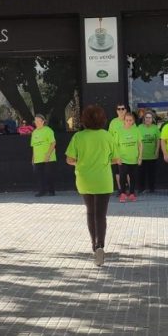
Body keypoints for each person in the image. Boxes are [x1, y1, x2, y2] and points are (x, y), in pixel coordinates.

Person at [66, 104, 116, 266]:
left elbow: (70, 159)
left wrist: (82, 162)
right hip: (103, 179)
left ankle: (94, 245)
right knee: (101, 214)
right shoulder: (107, 136)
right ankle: (100, 245)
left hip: (84, 178)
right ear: (103, 120)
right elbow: (116, 159)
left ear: (84, 120)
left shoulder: (78, 137)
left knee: (90, 212)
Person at [115, 111, 141, 201]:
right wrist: (117, 157)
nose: (128, 122)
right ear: (124, 121)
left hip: (134, 158)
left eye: (130, 120)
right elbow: (115, 145)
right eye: (127, 120)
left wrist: (140, 157)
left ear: (133, 121)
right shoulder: (119, 131)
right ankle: (122, 194)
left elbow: (140, 144)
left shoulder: (136, 130)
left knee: (133, 177)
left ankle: (132, 194)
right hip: (123, 158)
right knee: (122, 177)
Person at [30, 112, 57, 197]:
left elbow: (53, 143)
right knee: (39, 176)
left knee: (49, 174)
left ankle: (51, 191)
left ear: (43, 121)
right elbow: (34, 146)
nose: (37, 122)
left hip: (48, 157)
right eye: (35, 121)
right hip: (38, 158)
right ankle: (42, 191)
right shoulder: (34, 132)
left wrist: (48, 154)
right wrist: (33, 158)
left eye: (38, 121)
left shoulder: (48, 130)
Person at [137, 110, 160, 193]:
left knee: (152, 173)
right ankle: (141, 188)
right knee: (141, 173)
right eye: (146, 117)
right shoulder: (139, 127)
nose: (148, 119)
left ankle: (151, 188)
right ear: (144, 118)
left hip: (152, 155)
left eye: (150, 118)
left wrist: (157, 151)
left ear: (152, 119)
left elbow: (158, 140)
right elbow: (137, 140)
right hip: (142, 155)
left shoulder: (155, 128)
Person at [109, 103, 128, 193]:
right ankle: (120, 189)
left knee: (128, 171)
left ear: (125, 110)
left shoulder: (129, 120)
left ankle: (130, 190)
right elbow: (109, 136)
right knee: (117, 171)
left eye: (122, 109)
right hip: (116, 151)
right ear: (116, 111)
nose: (121, 110)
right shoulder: (113, 122)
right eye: (119, 109)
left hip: (128, 150)